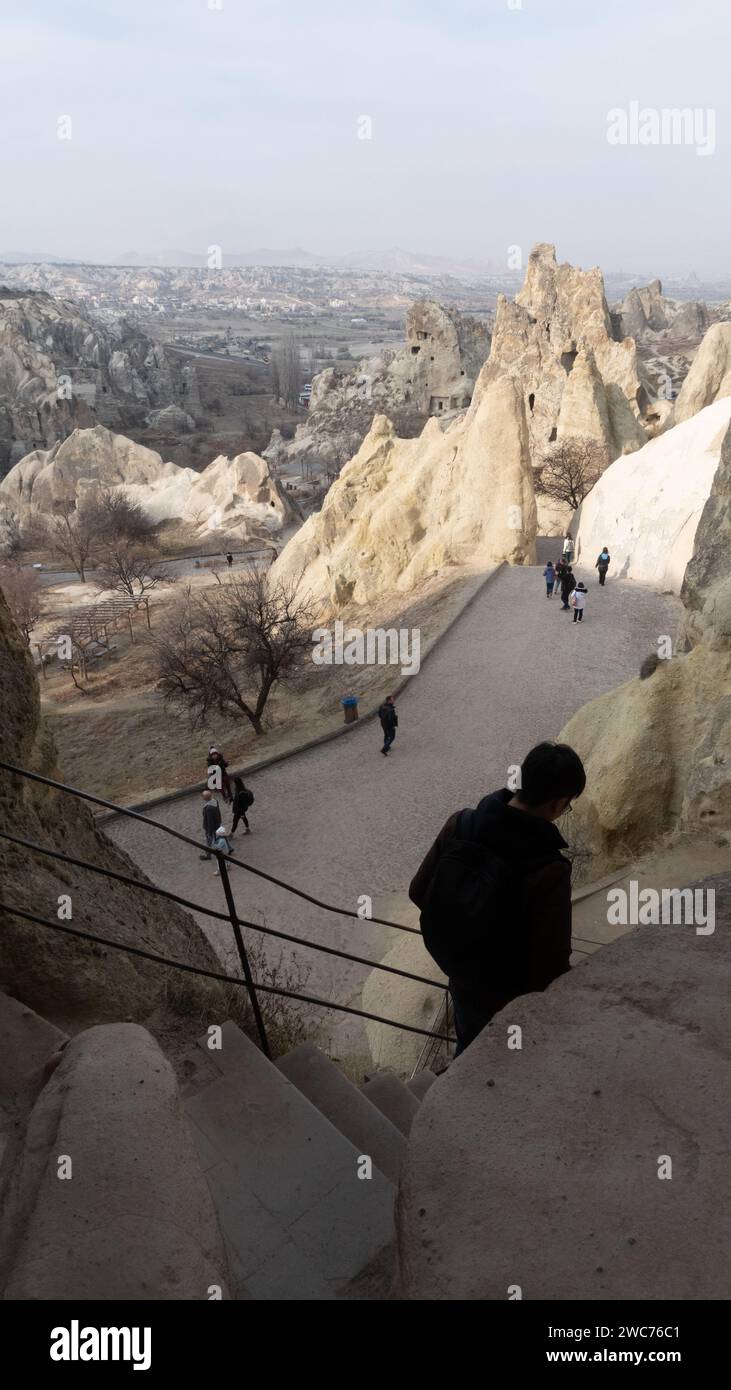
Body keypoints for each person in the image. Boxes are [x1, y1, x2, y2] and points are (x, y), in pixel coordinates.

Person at [409, 741, 586, 1054]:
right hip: (506, 998)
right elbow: (551, 963)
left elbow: (418, 890)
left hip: (459, 974)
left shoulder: (460, 823)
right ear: (557, 804)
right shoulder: (548, 869)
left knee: (467, 1046)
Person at [200, 789, 220, 860]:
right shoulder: (215, 801)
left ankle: (208, 855)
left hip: (210, 827)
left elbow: (209, 821)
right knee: (219, 836)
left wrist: (209, 832)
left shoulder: (208, 808)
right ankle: (229, 848)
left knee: (208, 841)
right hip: (217, 823)